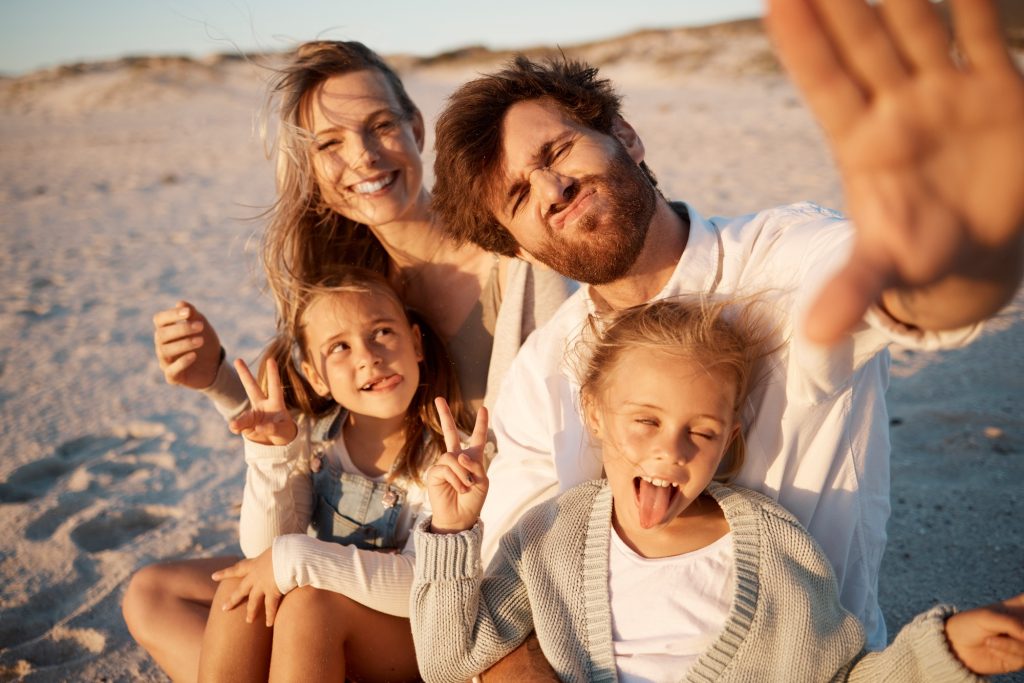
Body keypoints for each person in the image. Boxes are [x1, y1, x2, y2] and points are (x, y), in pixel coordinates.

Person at [426, 0, 1024, 657]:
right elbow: (511, 611)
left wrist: (958, 260)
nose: (552, 188)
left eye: (558, 149)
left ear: (625, 136)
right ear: (517, 245)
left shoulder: (782, 257)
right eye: (519, 196)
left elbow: (897, 290)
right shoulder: (543, 372)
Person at [122, 40, 571, 682]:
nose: (362, 155)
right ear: (310, 168)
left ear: (416, 128)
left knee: (300, 607)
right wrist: (214, 376)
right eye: (329, 144)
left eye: (381, 126)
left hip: (472, 571)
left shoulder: (517, 264)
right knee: (158, 594)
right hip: (367, 557)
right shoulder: (351, 282)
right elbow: (297, 429)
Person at [412, 299, 1024, 682]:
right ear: (594, 415)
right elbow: (448, 661)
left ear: (728, 439)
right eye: (645, 421)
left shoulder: (776, 550)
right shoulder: (551, 537)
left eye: (699, 433)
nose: (668, 451)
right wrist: (453, 529)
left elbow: (843, 677)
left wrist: (946, 651)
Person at [196, 266, 481, 680]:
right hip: (324, 631)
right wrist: (270, 456)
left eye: (382, 332)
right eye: (339, 348)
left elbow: (424, 586)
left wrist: (296, 557)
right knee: (239, 592)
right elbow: (263, 550)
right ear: (316, 377)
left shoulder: (445, 458)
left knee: (308, 605)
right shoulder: (315, 438)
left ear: (416, 343)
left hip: (413, 638)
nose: (368, 357)